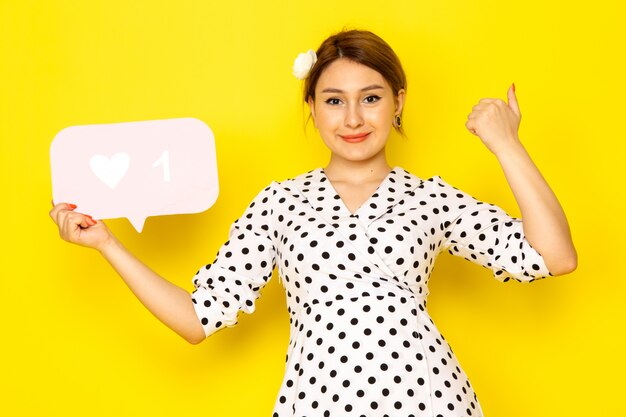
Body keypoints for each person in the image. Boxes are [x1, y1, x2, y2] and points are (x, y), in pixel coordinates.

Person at [50, 29, 577, 417]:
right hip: (316, 403)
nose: (353, 119)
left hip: (429, 399)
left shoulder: (430, 198)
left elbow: (555, 256)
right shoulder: (278, 204)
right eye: (334, 100)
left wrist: (506, 143)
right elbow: (196, 319)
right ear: (313, 106)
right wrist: (107, 244)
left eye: (370, 98)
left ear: (398, 102)